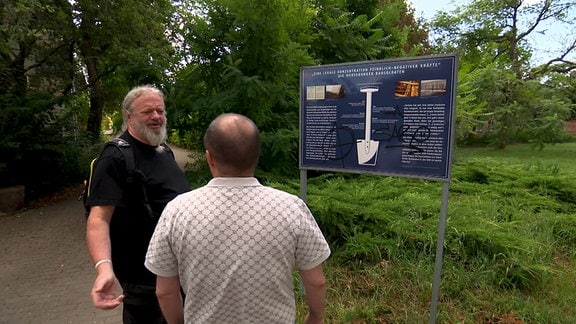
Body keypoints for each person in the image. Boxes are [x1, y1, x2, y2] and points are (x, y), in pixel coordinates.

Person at [145, 113, 331, 324]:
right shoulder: (291, 208)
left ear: (209, 158)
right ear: (256, 156)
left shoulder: (177, 210)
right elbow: (316, 282)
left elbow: (164, 291)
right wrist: (315, 317)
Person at [86, 85, 191, 324]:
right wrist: (104, 268)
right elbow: (98, 219)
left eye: (160, 111)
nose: (156, 117)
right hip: (144, 280)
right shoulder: (115, 158)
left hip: (179, 272)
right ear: (128, 116)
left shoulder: (163, 151)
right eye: (147, 112)